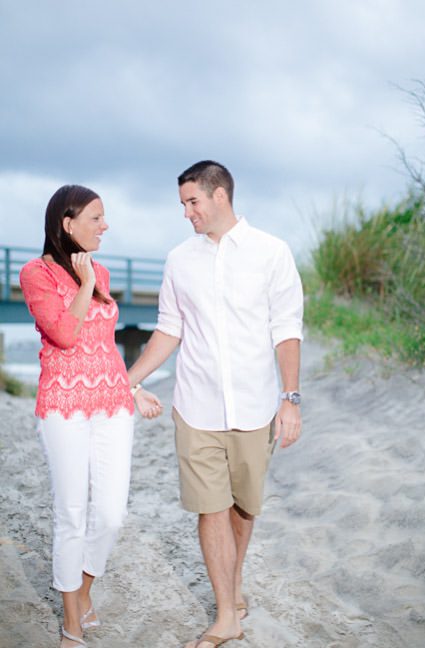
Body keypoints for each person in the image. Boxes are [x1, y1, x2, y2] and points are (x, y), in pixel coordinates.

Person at [125, 161, 304, 648]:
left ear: (219, 195)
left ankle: (233, 584)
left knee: (244, 508)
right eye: (183, 204)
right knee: (210, 510)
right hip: (196, 405)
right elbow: (169, 330)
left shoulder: (272, 253)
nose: (187, 213)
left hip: (255, 406)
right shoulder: (179, 260)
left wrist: (290, 399)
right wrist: (127, 379)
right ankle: (227, 613)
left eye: (193, 202)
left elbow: (286, 330)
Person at [19, 185, 161, 648]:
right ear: (68, 222)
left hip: (111, 406)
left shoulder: (99, 268)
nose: (105, 226)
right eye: (96, 218)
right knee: (71, 513)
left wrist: (132, 387)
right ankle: (71, 621)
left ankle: (82, 590)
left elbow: (105, 345)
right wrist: (83, 287)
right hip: (62, 406)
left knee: (112, 514)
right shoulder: (35, 273)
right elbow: (63, 333)